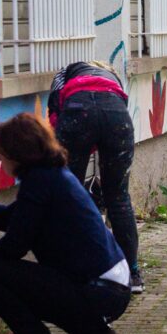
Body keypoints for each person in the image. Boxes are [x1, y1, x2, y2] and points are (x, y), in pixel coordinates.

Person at [0, 113, 130, 334]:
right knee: (4, 270)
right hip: (109, 287)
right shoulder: (51, 176)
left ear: (16, 154)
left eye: (1, 152)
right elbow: (15, 218)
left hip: (98, 290)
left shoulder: (40, 182)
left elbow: (15, 244)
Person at [47, 61, 143, 293]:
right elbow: (115, 111)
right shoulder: (112, 79)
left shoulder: (65, 72)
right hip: (116, 115)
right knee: (118, 197)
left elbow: (54, 117)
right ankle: (132, 274)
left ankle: (69, 270)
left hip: (78, 112)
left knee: (68, 195)